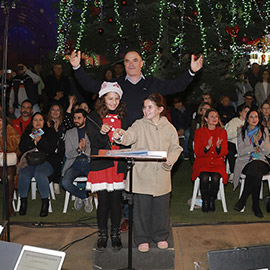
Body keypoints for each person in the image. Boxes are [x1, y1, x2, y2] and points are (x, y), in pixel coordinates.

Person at [113, 93, 182, 253]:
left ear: (160, 109)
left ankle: (160, 236)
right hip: (142, 176)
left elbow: (176, 147)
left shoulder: (169, 127)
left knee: (161, 210)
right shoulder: (139, 125)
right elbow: (129, 136)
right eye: (144, 107)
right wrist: (120, 135)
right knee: (141, 210)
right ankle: (142, 238)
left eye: (150, 107)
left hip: (162, 176)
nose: (146, 110)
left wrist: (170, 160)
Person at [69, 50, 203, 124]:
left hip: (147, 136)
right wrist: (77, 67)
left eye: (135, 60)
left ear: (142, 64)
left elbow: (176, 86)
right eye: (127, 61)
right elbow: (90, 86)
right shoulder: (115, 84)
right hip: (122, 136)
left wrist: (191, 72)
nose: (131, 64)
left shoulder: (153, 83)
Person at [86, 82, 129, 251]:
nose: (114, 102)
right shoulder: (93, 116)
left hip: (118, 164)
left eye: (117, 98)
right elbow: (95, 143)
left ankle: (116, 234)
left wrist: (122, 137)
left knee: (116, 202)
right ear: (103, 98)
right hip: (101, 165)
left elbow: (129, 139)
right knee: (103, 202)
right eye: (110, 98)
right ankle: (102, 235)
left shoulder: (124, 116)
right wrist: (103, 133)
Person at [17, 112, 57, 217]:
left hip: (46, 162)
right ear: (32, 122)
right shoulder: (27, 133)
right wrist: (32, 142)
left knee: (40, 174)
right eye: (35, 120)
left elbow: (51, 149)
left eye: (40, 120)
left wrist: (40, 141)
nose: (38, 122)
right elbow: (22, 147)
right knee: (23, 174)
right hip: (30, 162)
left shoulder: (50, 132)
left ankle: (45, 203)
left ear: (44, 122)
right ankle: (23, 202)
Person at [233, 110, 270, 218]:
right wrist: (253, 145)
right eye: (251, 117)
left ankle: (243, 200)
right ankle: (255, 206)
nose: (254, 119)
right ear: (247, 119)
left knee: (256, 168)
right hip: (246, 162)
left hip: (262, 161)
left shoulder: (264, 130)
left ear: (259, 119)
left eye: (256, 117)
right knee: (256, 174)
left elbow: (268, 151)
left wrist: (260, 142)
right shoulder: (241, 132)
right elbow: (240, 151)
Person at [191, 108, 228, 213]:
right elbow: (197, 152)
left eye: (216, 116)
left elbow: (225, 152)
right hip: (202, 162)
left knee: (216, 178)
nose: (214, 118)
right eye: (212, 116)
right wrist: (207, 147)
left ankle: (212, 200)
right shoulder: (199, 132)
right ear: (206, 119)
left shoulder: (222, 132)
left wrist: (218, 147)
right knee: (204, 177)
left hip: (217, 163)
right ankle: (205, 201)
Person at [61, 109, 93, 213]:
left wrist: (85, 149)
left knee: (97, 181)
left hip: (89, 162)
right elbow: (68, 154)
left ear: (84, 118)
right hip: (74, 163)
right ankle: (84, 196)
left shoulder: (92, 131)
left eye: (79, 118)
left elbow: (96, 151)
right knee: (65, 182)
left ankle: (81, 196)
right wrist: (78, 150)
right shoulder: (70, 133)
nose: (76, 120)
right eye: (74, 118)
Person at [0, 115, 20, 216]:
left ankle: (9, 204)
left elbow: (12, 146)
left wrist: (1, 137)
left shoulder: (10, 130)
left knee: (8, 177)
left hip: (7, 161)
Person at [47, 103, 66, 194]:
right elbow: (33, 135)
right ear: (50, 112)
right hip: (47, 151)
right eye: (53, 110)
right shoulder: (45, 124)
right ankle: (54, 181)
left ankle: (56, 181)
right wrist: (52, 130)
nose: (55, 112)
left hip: (62, 151)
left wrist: (57, 131)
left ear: (60, 112)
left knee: (58, 157)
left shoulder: (64, 125)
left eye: (57, 110)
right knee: (54, 158)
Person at [226, 104, 250, 174]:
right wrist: (238, 132)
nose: (247, 114)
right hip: (233, 143)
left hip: (245, 144)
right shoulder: (234, 121)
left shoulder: (250, 122)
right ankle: (234, 172)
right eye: (245, 111)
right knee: (231, 151)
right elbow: (228, 135)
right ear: (240, 112)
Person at [170, 96, 192, 160]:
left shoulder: (187, 110)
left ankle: (185, 151)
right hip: (177, 127)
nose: (174, 105)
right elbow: (174, 121)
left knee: (187, 134)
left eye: (176, 103)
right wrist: (178, 129)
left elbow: (189, 121)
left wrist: (183, 128)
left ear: (180, 103)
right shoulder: (173, 111)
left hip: (185, 127)